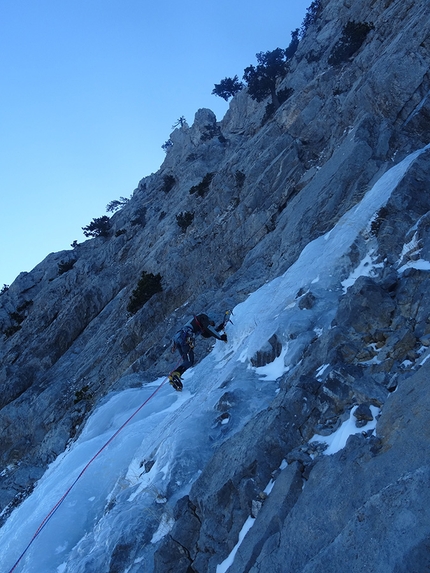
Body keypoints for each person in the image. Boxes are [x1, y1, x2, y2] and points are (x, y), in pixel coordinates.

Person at [169, 313, 228, 389]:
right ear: (210, 319)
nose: (212, 324)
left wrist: (219, 328)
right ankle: (175, 375)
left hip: (179, 338)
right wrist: (221, 337)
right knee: (190, 361)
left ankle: (175, 376)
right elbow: (209, 328)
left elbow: (208, 334)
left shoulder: (200, 324)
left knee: (187, 362)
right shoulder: (203, 317)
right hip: (185, 337)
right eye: (212, 323)